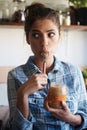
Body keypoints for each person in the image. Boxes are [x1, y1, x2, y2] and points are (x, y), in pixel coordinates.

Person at [7, 2, 87, 130]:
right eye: (36, 35)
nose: (44, 43)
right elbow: (17, 128)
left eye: (51, 34)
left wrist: (69, 118)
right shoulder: (15, 75)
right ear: (28, 38)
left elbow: (85, 117)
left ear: (59, 36)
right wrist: (23, 93)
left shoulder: (73, 71)